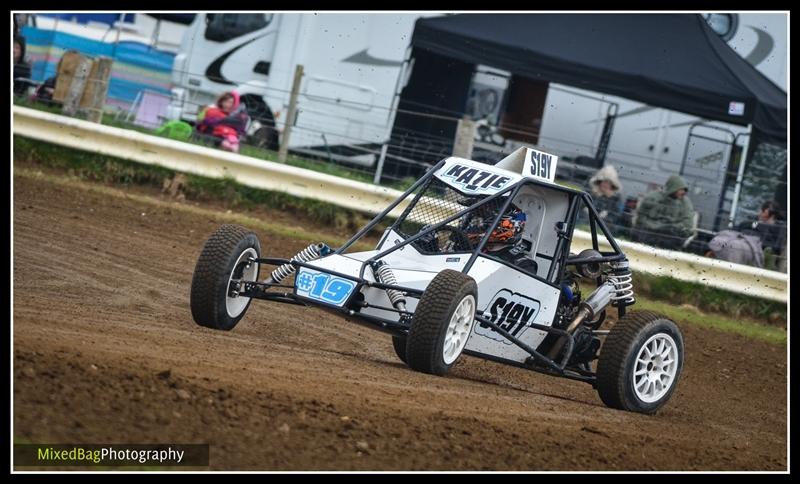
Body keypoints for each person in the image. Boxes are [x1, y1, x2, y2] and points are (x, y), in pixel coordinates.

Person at [706, 200, 786, 269]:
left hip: (752, 246)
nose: (760, 213)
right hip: (738, 238)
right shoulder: (750, 222)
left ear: (767, 212)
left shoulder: (779, 228)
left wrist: (762, 246)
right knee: (720, 240)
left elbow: (776, 247)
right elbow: (734, 230)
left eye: (763, 211)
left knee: (735, 246)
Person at [631, 175, 694, 250]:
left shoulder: (685, 203)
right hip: (649, 232)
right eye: (681, 189)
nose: (683, 192)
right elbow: (641, 217)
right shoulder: (653, 197)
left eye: (685, 190)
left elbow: (687, 224)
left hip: (670, 235)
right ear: (673, 188)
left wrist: (669, 227)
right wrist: (654, 226)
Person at [582, 165, 623, 232]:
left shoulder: (615, 199)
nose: (606, 184)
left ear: (612, 185)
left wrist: (605, 217)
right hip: (582, 229)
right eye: (604, 181)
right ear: (599, 182)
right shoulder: (589, 194)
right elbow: (579, 208)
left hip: (603, 232)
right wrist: (586, 212)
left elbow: (616, 217)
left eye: (609, 182)